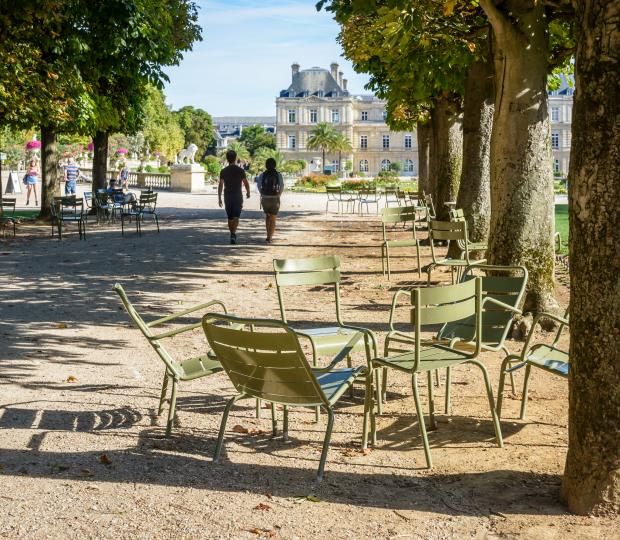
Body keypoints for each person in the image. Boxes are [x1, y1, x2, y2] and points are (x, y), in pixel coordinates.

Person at [218, 149, 250, 244]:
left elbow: (221, 185)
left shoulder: (223, 171)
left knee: (230, 217)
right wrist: (248, 192)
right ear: (235, 158)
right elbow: (246, 182)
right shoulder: (240, 170)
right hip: (237, 196)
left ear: (227, 159)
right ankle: (233, 233)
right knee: (236, 217)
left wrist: (219, 197)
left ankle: (232, 233)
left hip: (227, 196)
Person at [257, 157, 284, 242]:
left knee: (267, 216)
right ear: (275, 165)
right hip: (274, 198)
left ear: (266, 165)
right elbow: (282, 185)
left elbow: (258, 185)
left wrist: (262, 193)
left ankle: (268, 233)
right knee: (273, 218)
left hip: (265, 198)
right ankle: (270, 236)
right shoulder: (278, 174)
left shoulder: (262, 174)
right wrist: (279, 194)